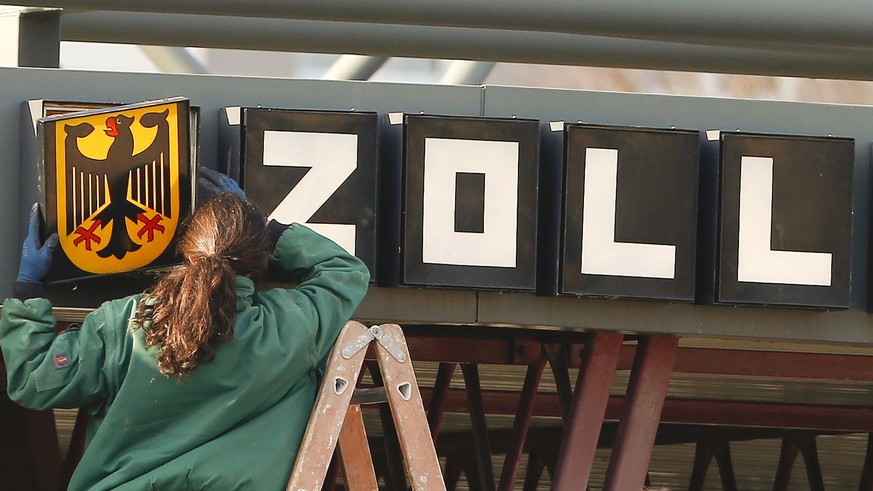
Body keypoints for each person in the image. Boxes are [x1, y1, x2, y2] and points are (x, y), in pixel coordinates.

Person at [0, 169, 370, 490]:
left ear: (188, 254)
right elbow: (346, 272)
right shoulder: (289, 325)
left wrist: (28, 289)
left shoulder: (125, 324)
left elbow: (35, 380)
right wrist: (264, 227)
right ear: (261, 258)